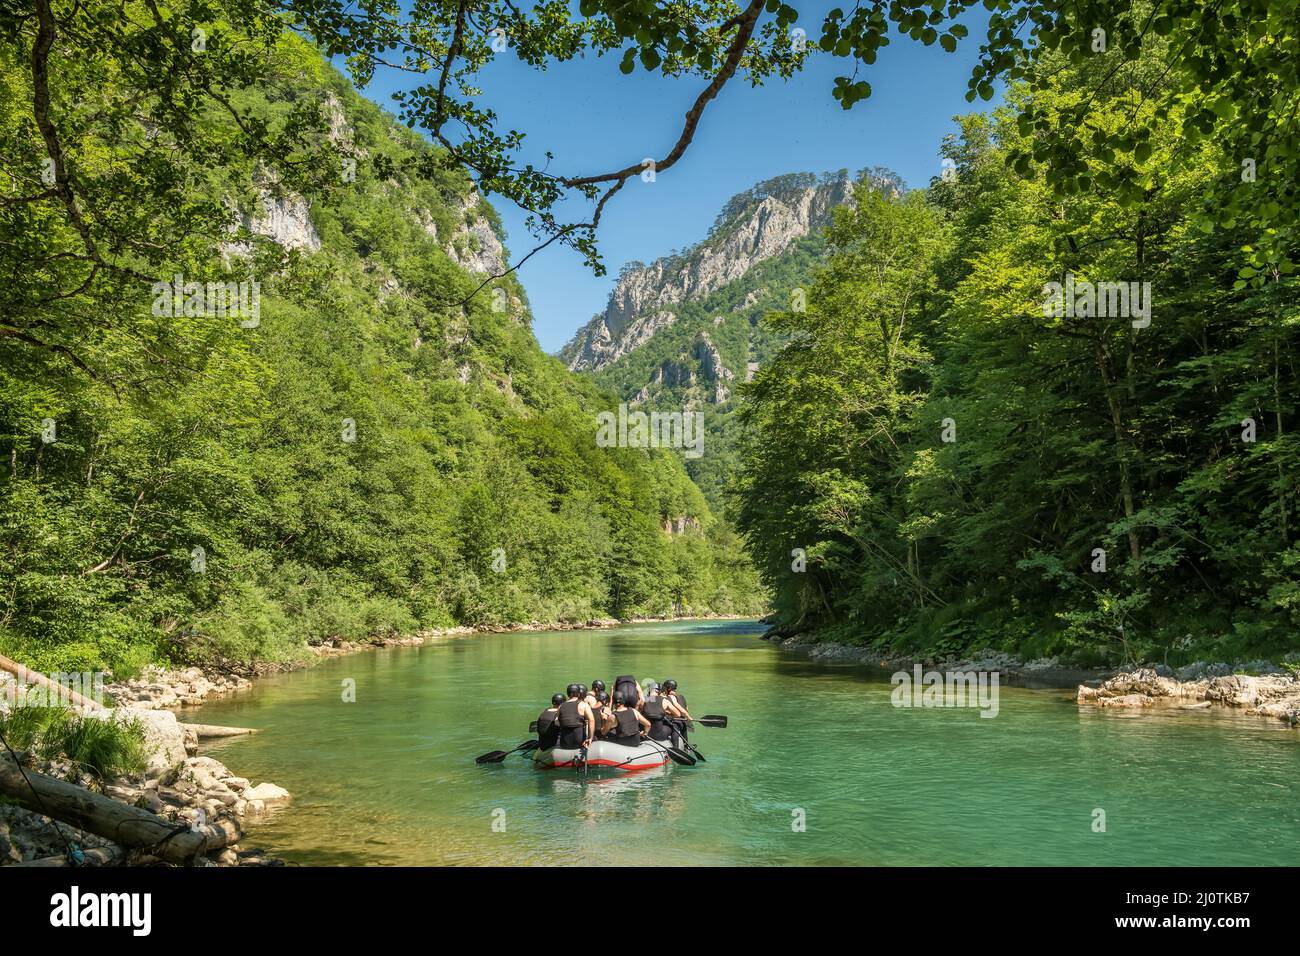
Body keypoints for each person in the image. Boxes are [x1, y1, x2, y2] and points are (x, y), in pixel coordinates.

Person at [556, 683, 595, 750]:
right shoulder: (583, 705)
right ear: (579, 694)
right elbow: (591, 720)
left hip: (564, 743)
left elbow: (557, 722)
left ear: (568, 694)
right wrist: (590, 738)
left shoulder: (561, 706)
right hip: (579, 742)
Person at [662, 679, 692, 744]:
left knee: (674, 728)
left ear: (669, 688)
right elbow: (686, 709)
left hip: (676, 723)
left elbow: (681, 710)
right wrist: (688, 717)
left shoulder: (668, 697)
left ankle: (677, 747)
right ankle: (686, 746)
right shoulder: (681, 697)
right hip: (683, 722)